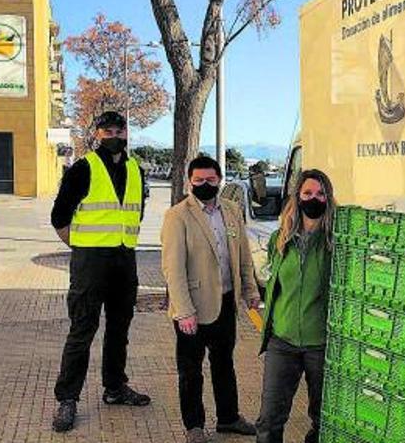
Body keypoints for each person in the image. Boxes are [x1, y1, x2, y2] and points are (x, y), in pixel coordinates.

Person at [50, 111, 150, 433]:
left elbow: (136, 213)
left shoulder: (136, 170)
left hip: (124, 259)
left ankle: (115, 387)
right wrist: (80, 247)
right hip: (91, 262)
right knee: (82, 329)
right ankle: (68, 400)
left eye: (119, 129)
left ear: (126, 133)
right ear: (98, 134)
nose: (114, 135)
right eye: (107, 130)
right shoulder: (83, 168)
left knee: (119, 328)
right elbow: (59, 216)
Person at [161, 156, 262, 443]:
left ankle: (228, 418)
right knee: (191, 370)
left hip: (225, 303)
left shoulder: (231, 210)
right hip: (192, 308)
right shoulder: (177, 216)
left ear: (220, 179)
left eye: (211, 179)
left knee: (224, 364)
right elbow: (173, 268)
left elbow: (242, 256)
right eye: (199, 180)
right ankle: (194, 426)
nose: (205, 184)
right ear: (190, 181)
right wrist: (183, 311)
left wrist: (250, 292)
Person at [256, 170, 336, 443]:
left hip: (320, 343)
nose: (314, 199)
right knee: (269, 418)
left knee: (323, 417)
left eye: (320, 194)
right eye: (308, 194)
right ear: (297, 198)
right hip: (283, 340)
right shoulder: (280, 239)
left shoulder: (335, 241)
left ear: (329, 198)